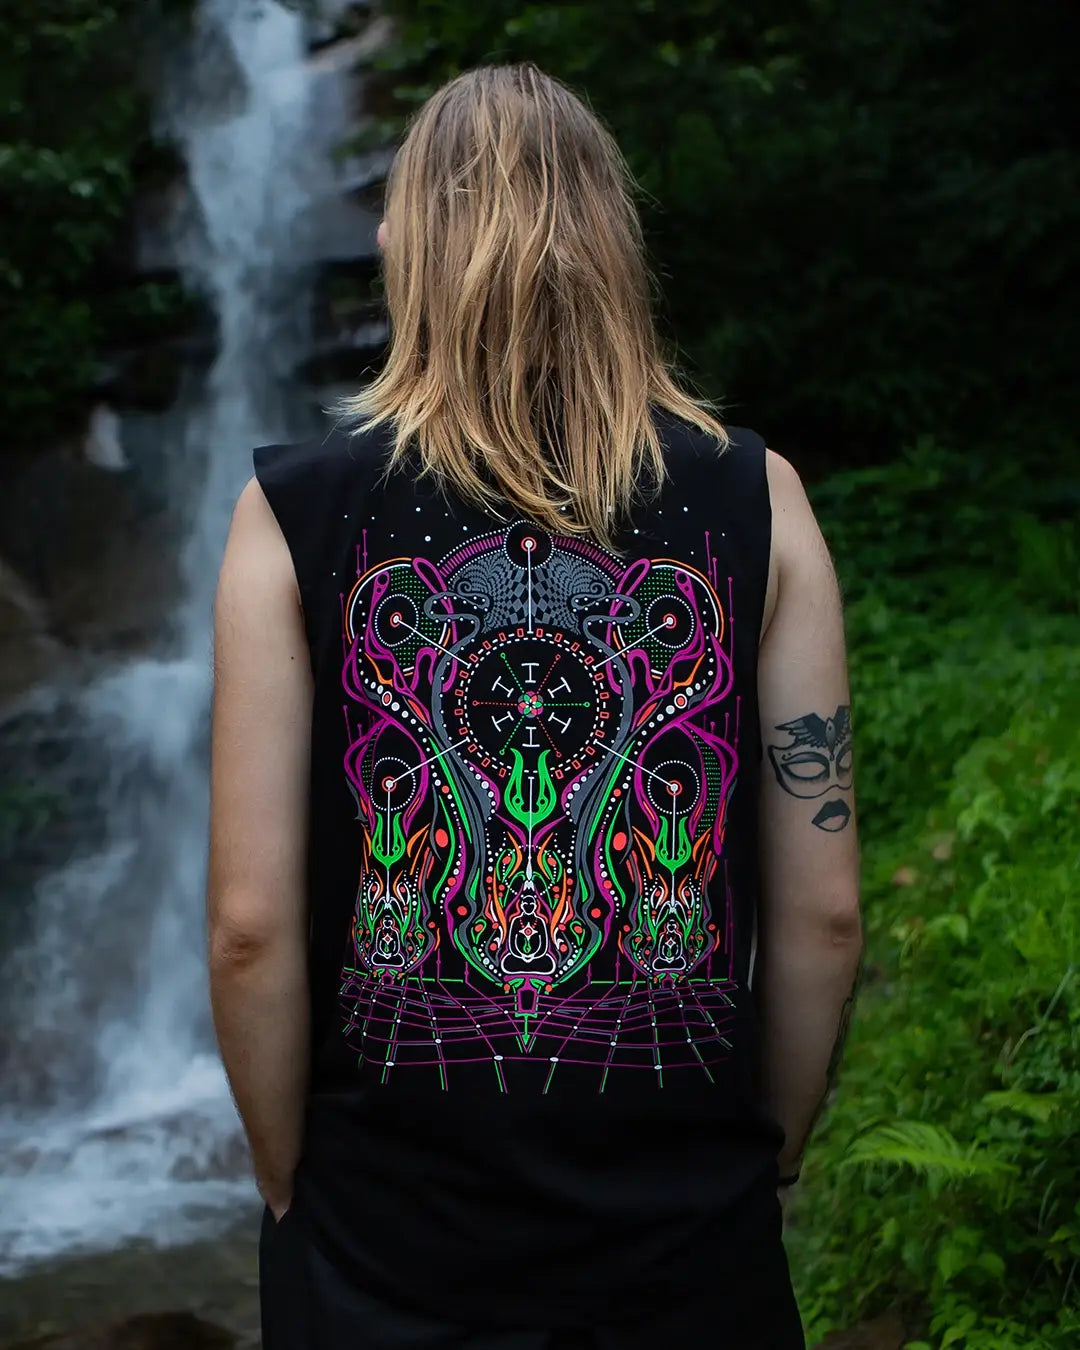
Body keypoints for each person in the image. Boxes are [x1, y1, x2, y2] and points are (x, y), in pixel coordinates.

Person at [207, 62, 863, 1350]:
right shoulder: (758, 496)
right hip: (687, 1250)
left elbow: (248, 929)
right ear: (614, 244)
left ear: (414, 249)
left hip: (381, 1255)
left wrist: (290, 1182)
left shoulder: (292, 514)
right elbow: (825, 916)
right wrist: (762, 1163)